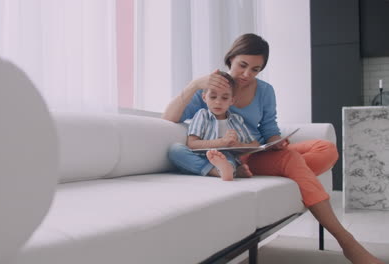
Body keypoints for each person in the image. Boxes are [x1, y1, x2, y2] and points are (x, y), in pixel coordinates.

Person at [162, 33, 383, 264]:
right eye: (242, 65)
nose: (247, 74)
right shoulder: (214, 88)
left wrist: (278, 142)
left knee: (326, 149)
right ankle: (347, 243)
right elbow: (169, 117)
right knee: (292, 161)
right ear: (231, 59)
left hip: (258, 152)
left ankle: (287, 169)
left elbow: (269, 128)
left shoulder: (265, 90)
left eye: (255, 69)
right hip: (231, 156)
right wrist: (194, 85)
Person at [168, 71, 260, 181]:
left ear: (232, 100)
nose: (218, 102)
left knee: (229, 158)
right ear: (204, 97)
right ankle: (219, 171)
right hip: (201, 156)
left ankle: (226, 169)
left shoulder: (236, 120)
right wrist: (222, 142)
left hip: (225, 157)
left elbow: (255, 144)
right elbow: (192, 144)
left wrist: (238, 144)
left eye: (224, 98)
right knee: (176, 150)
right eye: (213, 97)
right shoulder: (202, 115)